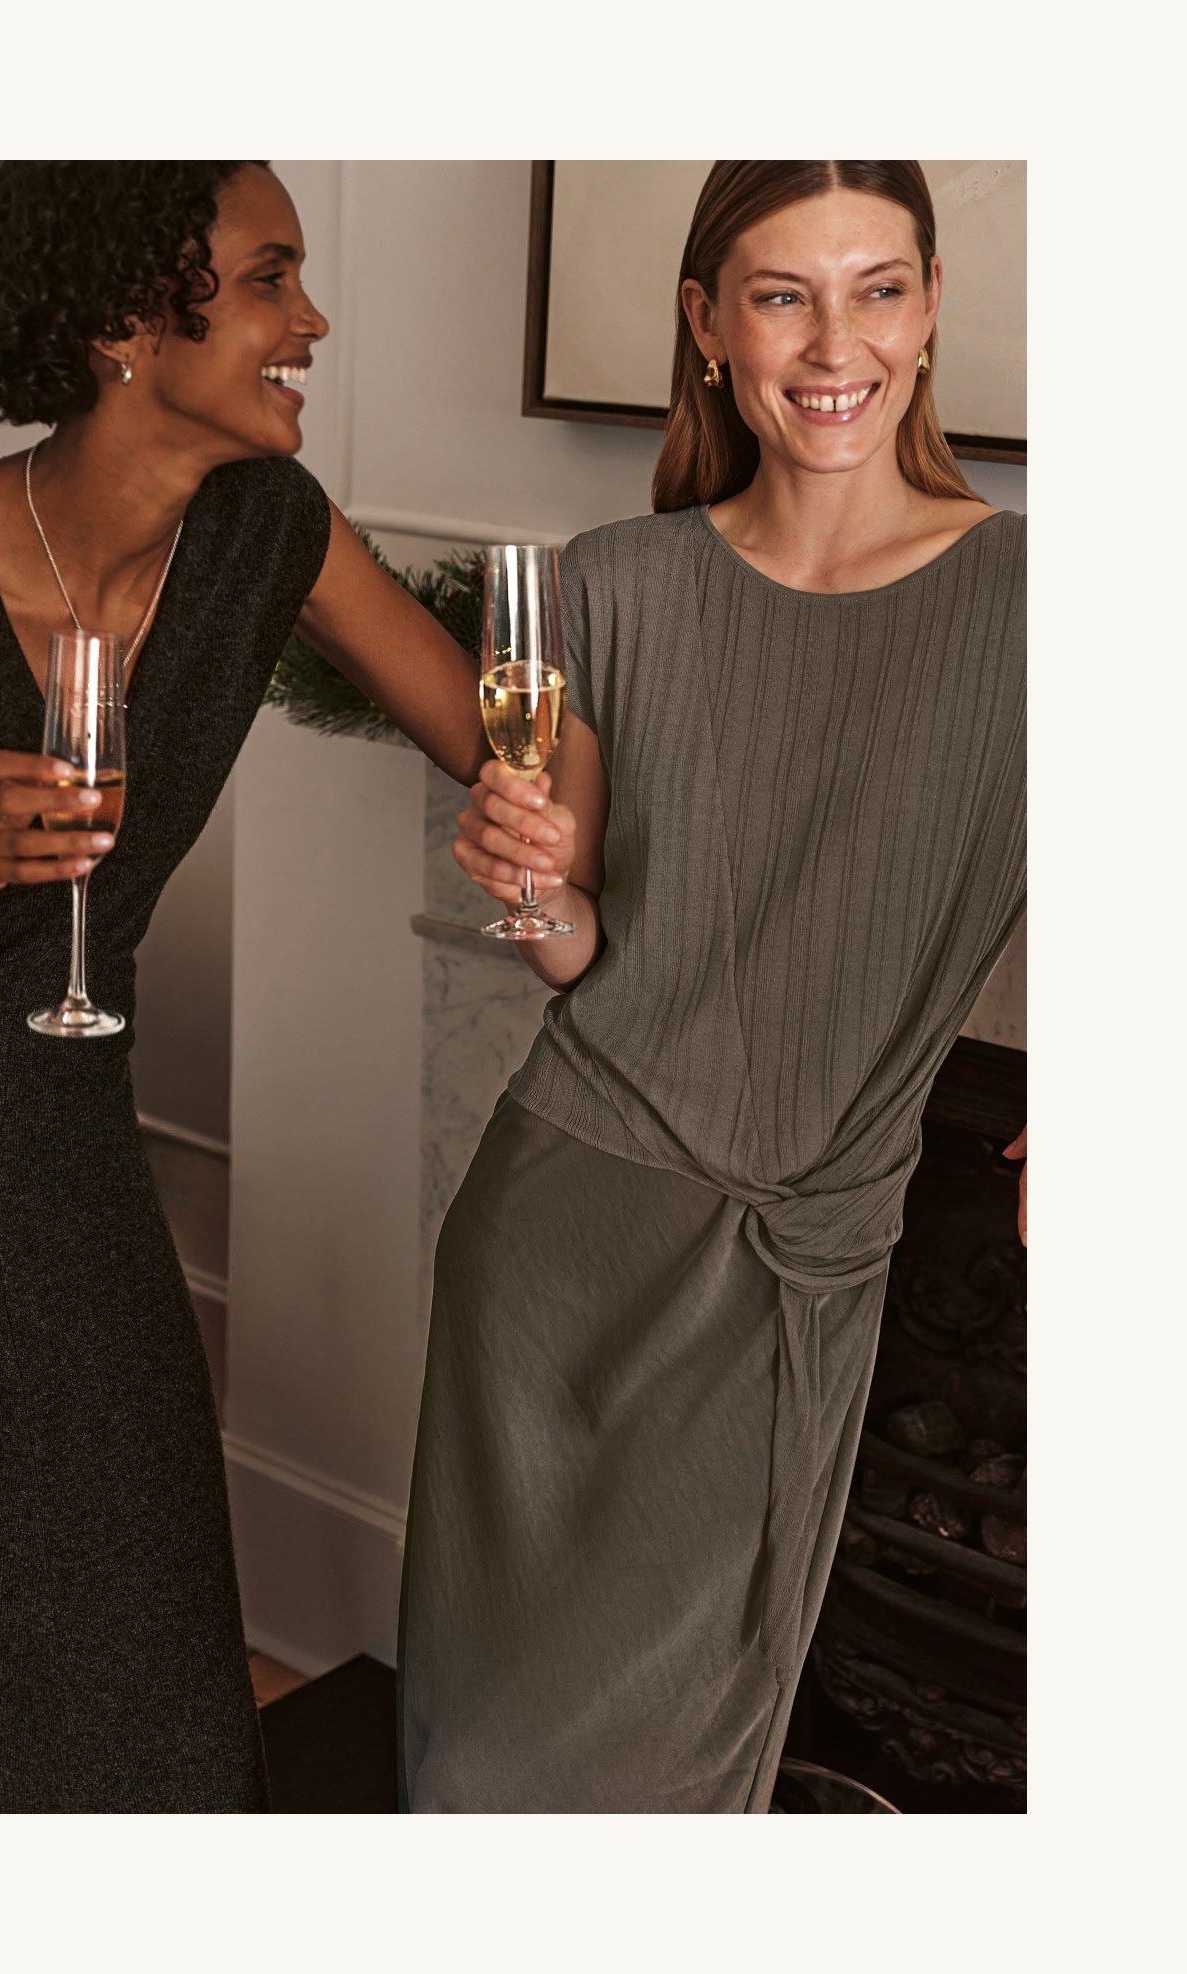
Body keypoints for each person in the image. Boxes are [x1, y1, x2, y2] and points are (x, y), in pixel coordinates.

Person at [0, 161, 483, 1812]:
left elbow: (496, 734)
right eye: (271, 278)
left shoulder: (269, 529)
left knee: (157, 1668)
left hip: (62, 1145)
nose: (309, 319)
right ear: (132, 320)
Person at [399, 160, 1028, 1812]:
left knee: (679, 1765)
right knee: (474, 1764)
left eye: (878, 287)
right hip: (555, 1230)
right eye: (781, 293)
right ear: (705, 326)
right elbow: (573, 946)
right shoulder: (609, 581)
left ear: (932, 304)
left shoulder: (1049, 606)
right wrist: (521, 872)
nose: (836, 343)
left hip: (791, 1253)